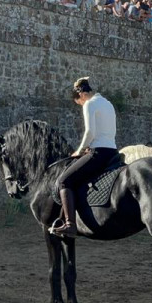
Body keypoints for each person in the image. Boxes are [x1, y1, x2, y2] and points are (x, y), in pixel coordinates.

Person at [51, 77, 118, 238]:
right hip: (112, 151)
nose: (80, 105)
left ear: (80, 95)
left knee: (63, 181)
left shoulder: (89, 103)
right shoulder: (108, 103)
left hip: (98, 153)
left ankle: (70, 225)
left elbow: (90, 132)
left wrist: (79, 151)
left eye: (78, 103)